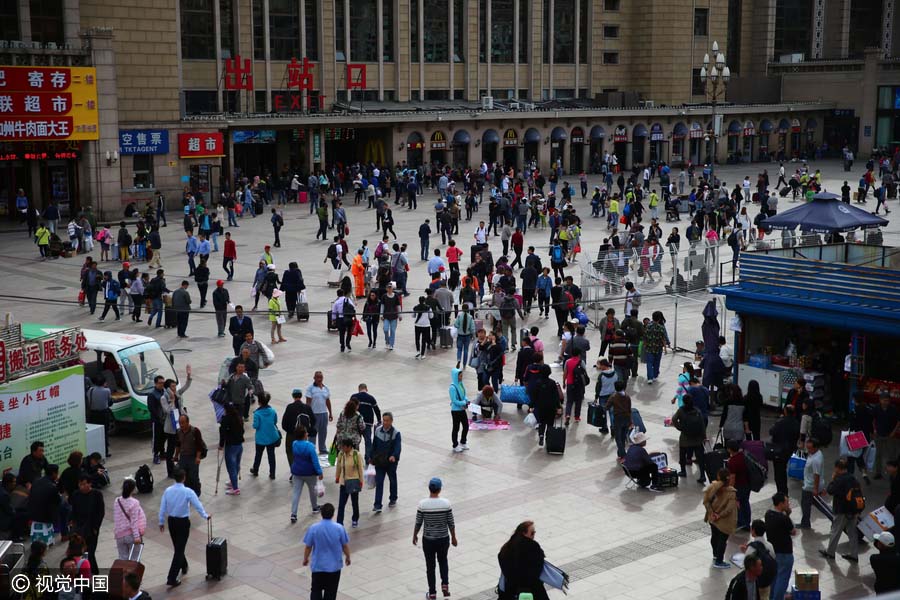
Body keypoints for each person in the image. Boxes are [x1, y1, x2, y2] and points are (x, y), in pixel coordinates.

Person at [158, 467, 210, 587]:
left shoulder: (168, 491)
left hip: (171, 522)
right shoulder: (188, 492)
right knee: (179, 549)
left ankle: (184, 564)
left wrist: (161, 521)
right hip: (183, 522)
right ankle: (171, 577)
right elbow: (198, 505)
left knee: (178, 545)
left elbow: (162, 507)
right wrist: (205, 516)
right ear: (184, 478)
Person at [413, 477, 457, 600]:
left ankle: (432, 593)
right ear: (440, 489)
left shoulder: (423, 504)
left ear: (429, 489)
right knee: (443, 561)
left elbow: (418, 522)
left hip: (428, 540)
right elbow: (451, 522)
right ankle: (445, 584)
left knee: (430, 566)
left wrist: (415, 535)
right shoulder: (446, 504)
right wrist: (454, 537)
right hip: (443, 538)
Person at [303, 503, 351, 600]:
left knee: (316, 590)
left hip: (318, 566)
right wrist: (348, 557)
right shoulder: (339, 528)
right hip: (334, 568)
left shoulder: (314, 528)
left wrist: (305, 559)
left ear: (321, 514)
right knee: (331, 593)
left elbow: (308, 546)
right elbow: (344, 546)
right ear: (333, 514)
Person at [819, 458, 862, 562]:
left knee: (836, 531)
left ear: (838, 468)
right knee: (852, 532)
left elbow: (830, 490)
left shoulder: (839, 479)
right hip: (854, 509)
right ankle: (854, 555)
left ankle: (830, 552)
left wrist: (833, 479)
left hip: (842, 510)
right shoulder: (853, 478)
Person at [497, 520, 548, 600]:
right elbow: (538, 568)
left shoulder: (506, 547)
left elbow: (502, 562)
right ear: (524, 533)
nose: (534, 535)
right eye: (532, 533)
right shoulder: (533, 546)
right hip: (532, 590)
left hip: (510, 590)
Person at [704, 468, 737, 569]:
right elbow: (729, 508)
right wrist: (720, 515)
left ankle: (715, 555)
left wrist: (712, 513)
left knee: (715, 537)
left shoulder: (712, 487)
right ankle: (719, 561)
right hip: (724, 521)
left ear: (718, 477)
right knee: (722, 540)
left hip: (712, 518)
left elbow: (706, 501)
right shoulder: (731, 492)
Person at [765, 492, 796, 600]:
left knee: (774, 577)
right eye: (786, 502)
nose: (788, 504)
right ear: (781, 504)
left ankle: (772, 597)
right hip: (785, 553)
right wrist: (787, 514)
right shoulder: (784, 518)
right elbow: (793, 531)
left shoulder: (768, 514)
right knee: (783, 578)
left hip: (773, 552)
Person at [290, 425, 323, 523]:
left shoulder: (294, 444)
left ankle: (294, 514)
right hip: (310, 473)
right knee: (312, 491)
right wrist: (320, 472)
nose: (307, 433)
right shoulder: (310, 447)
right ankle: (314, 507)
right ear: (304, 435)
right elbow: (315, 461)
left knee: (296, 492)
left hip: (297, 472)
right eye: (306, 432)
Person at [370, 412, 401, 513]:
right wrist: (371, 457)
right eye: (384, 420)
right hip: (379, 461)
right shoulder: (377, 431)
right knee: (379, 482)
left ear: (391, 421)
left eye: (387, 420)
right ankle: (377, 504)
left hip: (391, 462)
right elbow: (373, 445)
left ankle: (393, 498)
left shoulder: (396, 433)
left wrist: (394, 456)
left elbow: (398, 447)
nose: (385, 422)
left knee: (392, 480)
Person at [672, 395, 707, 484]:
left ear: (683, 401)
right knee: (700, 457)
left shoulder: (681, 410)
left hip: (685, 438)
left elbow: (674, 419)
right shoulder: (697, 410)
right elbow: (702, 424)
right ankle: (702, 475)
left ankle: (683, 471)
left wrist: (680, 427)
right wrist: (704, 436)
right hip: (697, 438)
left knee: (682, 453)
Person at [769, 405, 801, 495]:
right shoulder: (796, 422)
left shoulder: (780, 422)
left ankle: (782, 493)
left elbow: (771, 431)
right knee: (782, 470)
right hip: (789, 450)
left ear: (785, 411)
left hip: (779, 450)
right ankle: (783, 491)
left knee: (779, 473)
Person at [113, 478, 147, 559]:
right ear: (133, 489)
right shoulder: (134, 502)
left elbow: (117, 517)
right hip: (130, 535)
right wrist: (137, 536)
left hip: (119, 535)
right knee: (134, 560)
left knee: (122, 559)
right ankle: (131, 572)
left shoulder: (117, 501)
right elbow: (134, 521)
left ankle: (123, 572)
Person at [283, 389, 317, 467]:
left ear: (293, 396)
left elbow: (284, 423)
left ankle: (294, 469)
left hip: (292, 434)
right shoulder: (307, 407)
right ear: (301, 396)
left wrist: (289, 431)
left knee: (290, 451)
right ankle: (302, 468)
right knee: (303, 452)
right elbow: (313, 420)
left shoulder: (290, 407)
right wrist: (306, 431)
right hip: (303, 434)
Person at [334, 438, 364, 528]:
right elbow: (339, 466)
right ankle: (339, 522)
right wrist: (337, 476)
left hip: (354, 481)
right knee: (341, 504)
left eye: (344, 446)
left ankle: (355, 518)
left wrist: (361, 481)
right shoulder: (341, 454)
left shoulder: (356, 455)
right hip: (344, 483)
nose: (342, 448)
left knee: (354, 502)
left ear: (349, 447)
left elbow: (360, 469)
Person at [173, 414, 205, 495]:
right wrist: (176, 455)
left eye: (183, 423)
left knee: (194, 476)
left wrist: (198, 457)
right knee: (184, 477)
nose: (181, 425)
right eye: (180, 423)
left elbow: (199, 446)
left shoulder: (195, 431)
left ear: (188, 422)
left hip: (193, 457)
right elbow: (178, 445)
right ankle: (187, 493)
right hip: (183, 457)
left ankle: (197, 493)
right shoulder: (178, 431)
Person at [218, 402, 245, 495]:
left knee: (231, 467)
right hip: (239, 445)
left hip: (231, 446)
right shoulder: (238, 418)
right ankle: (233, 482)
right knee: (236, 465)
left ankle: (235, 488)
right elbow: (242, 430)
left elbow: (222, 433)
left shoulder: (225, 419)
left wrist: (221, 445)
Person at [873, 390, 900, 479]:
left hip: (890, 435)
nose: (886, 402)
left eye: (887, 400)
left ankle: (892, 473)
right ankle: (878, 472)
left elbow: (898, 422)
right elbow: (873, 419)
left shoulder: (893, 409)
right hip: (879, 434)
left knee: (891, 455)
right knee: (878, 454)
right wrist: (874, 429)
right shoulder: (876, 408)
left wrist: (894, 432)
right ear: (880, 400)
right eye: (884, 400)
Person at [726, 440, 752, 530]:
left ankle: (741, 523)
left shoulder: (732, 461)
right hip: (747, 484)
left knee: (736, 504)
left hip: (738, 486)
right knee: (745, 503)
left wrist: (730, 489)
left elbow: (732, 477)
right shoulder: (744, 456)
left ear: (729, 449)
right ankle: (747, 523)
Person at [799, 437, 825, 529]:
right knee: (819, 504)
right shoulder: (816, 453)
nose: (808, 450)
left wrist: (815, 488)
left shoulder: (816, 460)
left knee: (805, 505)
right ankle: (833, 518)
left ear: (815, 447)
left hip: (810, 486)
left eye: (810, 448)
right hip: (812, 484)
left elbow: (816, 475)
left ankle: (805, 523)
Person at [306, 372, 334, 454]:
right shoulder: (310, 389)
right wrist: (308, 415)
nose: (319, 379)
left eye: (321, 377)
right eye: (317, 377)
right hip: (314, 414)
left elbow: (328, 401)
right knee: (313, 433)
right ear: (314, 378)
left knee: (323, 432)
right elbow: (308, 403)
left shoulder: (326, 388)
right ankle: (312, 450)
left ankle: (322, 449)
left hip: (324, 413)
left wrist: (330, 413)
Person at [86, 378, 112, 457]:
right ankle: (105, 452)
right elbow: (110, 402)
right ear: (104, 383)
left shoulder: (90, 390)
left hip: (93, 414)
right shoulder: (107, 391)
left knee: (95, 433)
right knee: (104, 433)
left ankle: (94, 451)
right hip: (103, 414)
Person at [608, 380, 632, 459]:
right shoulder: (627, 396)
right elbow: (629, 409)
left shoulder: (613, 397)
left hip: (618, 419)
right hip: (626, 418)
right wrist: (631, 421)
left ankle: (623, 455)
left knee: (618, 438)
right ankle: (620, 453)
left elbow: (607, 406)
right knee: (623, 436)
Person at [449, 367, 470, 453]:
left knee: (466, 426)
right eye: (460, 376)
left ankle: (463, 442)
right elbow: (454, 400)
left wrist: (466, 400)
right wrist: (463, 403)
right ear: (455, 376)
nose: (461, 377)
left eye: (461, 376)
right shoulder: (452, 387)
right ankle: (455, 445)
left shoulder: (461, 384)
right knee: (456, 428)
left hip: (462, 409)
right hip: (456, 411)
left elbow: (464, 394)